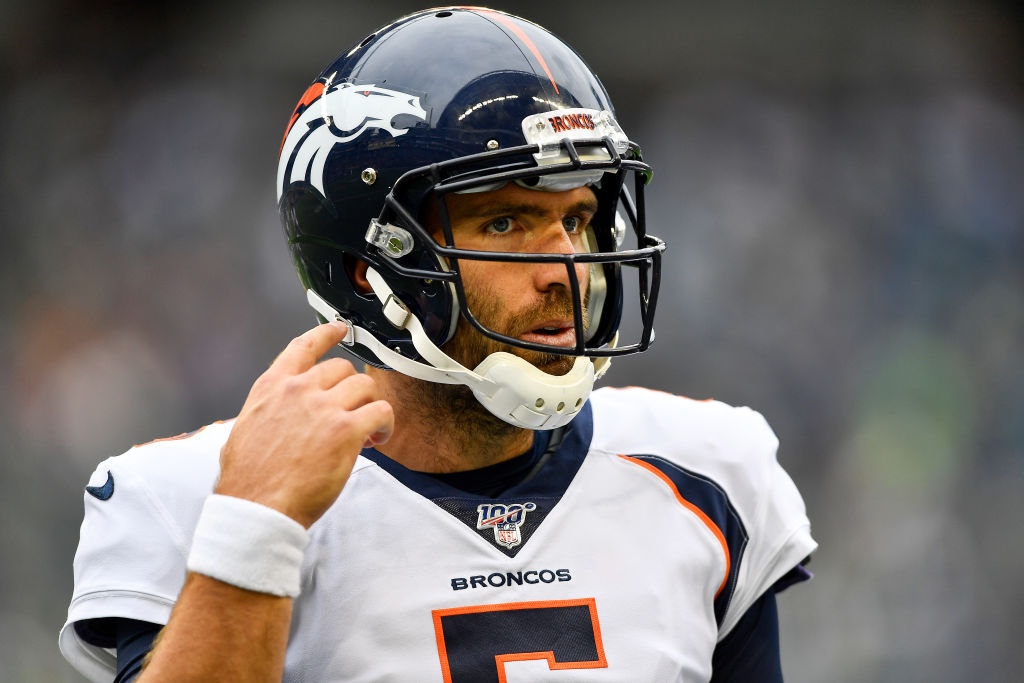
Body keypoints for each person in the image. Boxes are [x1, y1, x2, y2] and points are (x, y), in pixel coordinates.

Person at [59, 7, 816, 682]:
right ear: (371, 267)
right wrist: (253, 531)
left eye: (577, 219)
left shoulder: (709, 473)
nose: (566, 271)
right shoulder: (199, 497)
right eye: (505, 223)